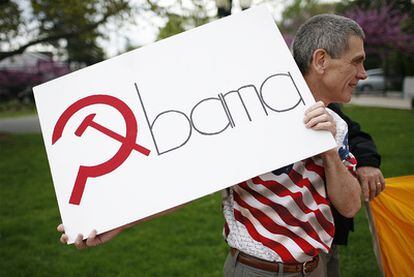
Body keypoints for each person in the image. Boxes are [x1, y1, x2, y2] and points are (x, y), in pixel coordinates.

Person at [58, 14, 367, 276]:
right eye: (357, 62)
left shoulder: (336, 125)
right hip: (256, 269)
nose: (362, 74)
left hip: (315, 268)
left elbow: (351, 205)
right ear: (321, 60)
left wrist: (329, 153)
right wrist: (116, 222)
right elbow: (186, 182)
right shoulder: (248, 112)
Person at [323, 103, 385, 277]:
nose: (362, 75)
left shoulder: (330, 108)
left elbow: (355, 134)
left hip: (329, 233)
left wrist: (367, 161)